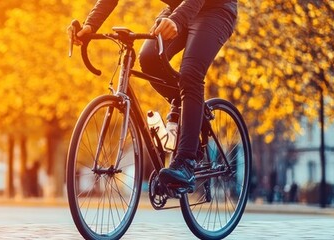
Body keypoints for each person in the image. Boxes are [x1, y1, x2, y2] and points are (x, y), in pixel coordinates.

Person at [71, 0, 237, 191]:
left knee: (190, 73)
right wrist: (90, 26)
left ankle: (186, 161)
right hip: (178, 8)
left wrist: (177, 19)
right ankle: (193, 115)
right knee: (149, 59)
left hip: (215, 10)